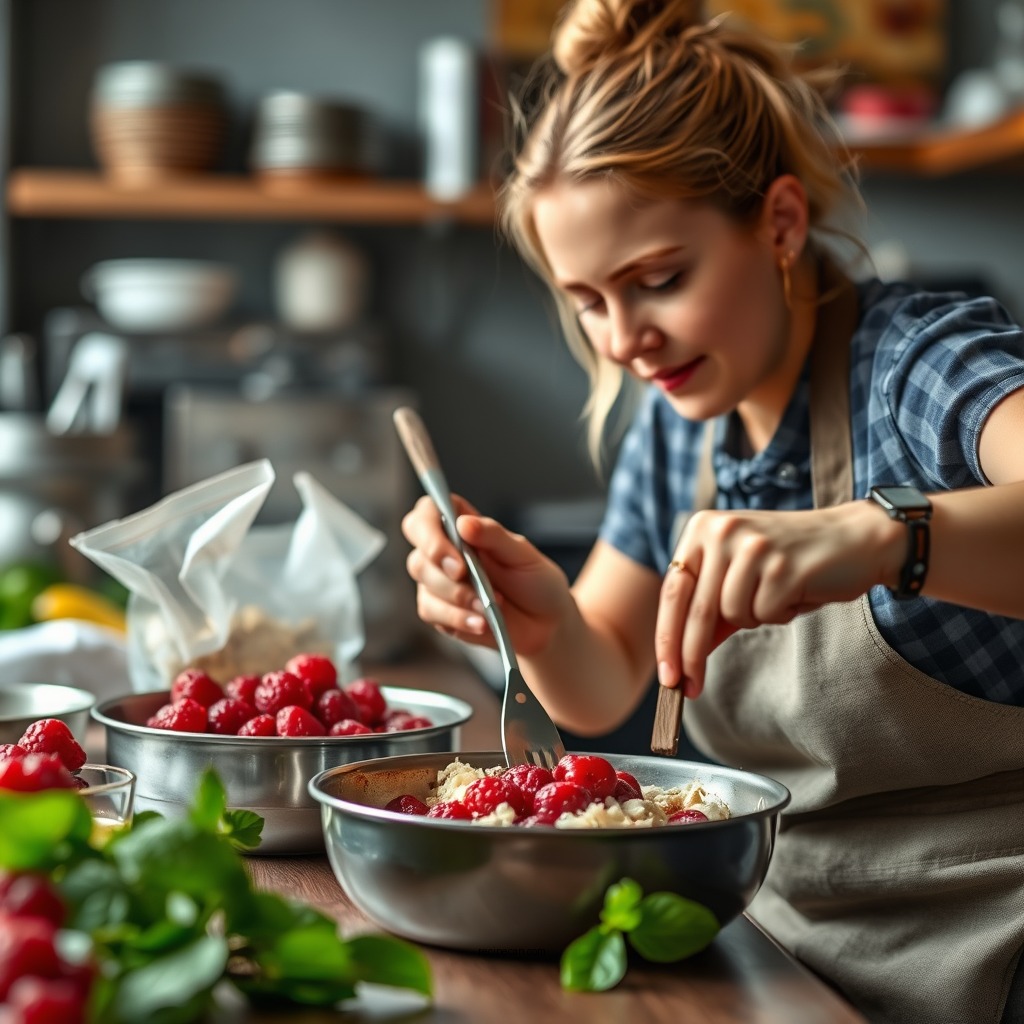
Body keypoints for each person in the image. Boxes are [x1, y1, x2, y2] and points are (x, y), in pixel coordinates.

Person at [399, 2, 1024, 1021]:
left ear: (779, 224)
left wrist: (883, 536)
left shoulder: (917, 364)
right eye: (588, 300)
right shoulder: (678, 427)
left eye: (657, 280)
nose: (622, 341)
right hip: (779, 944)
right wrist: (537, 619)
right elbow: (605, 678)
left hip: (986, 956)